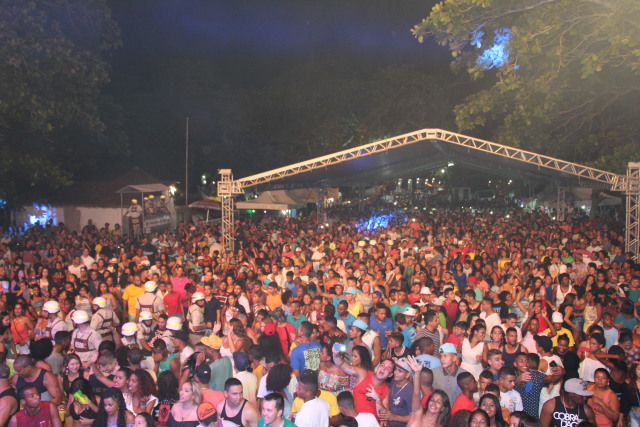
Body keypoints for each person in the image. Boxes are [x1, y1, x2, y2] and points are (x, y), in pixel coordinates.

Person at [332, 345, 393, 419]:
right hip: (354, 422)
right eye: (382, 365)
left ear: (390, 375)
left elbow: (384, 416)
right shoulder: (363, 373)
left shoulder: (386, 389)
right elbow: (342, 365)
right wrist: (335, 355)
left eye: (388, 368)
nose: (383, 369)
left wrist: (378, 399)